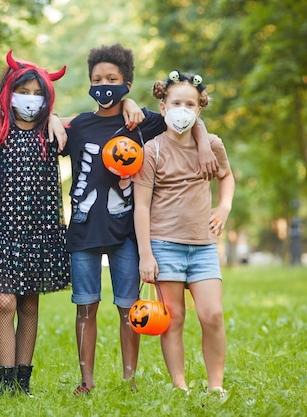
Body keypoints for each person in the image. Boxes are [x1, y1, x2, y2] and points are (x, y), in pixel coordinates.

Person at [62, 44, 219, 395]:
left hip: (125, 233)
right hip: (84, 231)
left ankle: (128, 380)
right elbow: (49, 127)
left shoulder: (142, 122)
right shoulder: (80, 126)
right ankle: (86, 382)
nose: (104, 84)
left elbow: (184, 111)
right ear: (89, 83)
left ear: (127, 83)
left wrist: (205, 142)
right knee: (85, 307)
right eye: (97, 79)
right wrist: (56, 125)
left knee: (128, 308)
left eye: (112, 79)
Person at [133, 70, 234, 396]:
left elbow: (227, 177)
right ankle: (180, 386)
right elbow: (142, 206)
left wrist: (224, 207)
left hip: (203, 246)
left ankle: (215, 386)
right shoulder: (152, 151)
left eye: (190, 104)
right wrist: (146, 254)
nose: (183, 109)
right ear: (163, 106)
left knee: (213, 315)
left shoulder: (212, 144)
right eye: (177, 102)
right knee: (173, 318)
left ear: (199, 109)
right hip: (165, 245)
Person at [0, 51, 70, 397]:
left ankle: (22, 381)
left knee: (29, 304)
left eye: (38, 94)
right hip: (4, 229)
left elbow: (99, 122)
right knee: (4, 302)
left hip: (41, 231)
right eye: (25, 92)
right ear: (10, 92)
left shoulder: (54, 132)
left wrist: (56, 118)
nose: (31, 100)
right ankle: (4, 381)